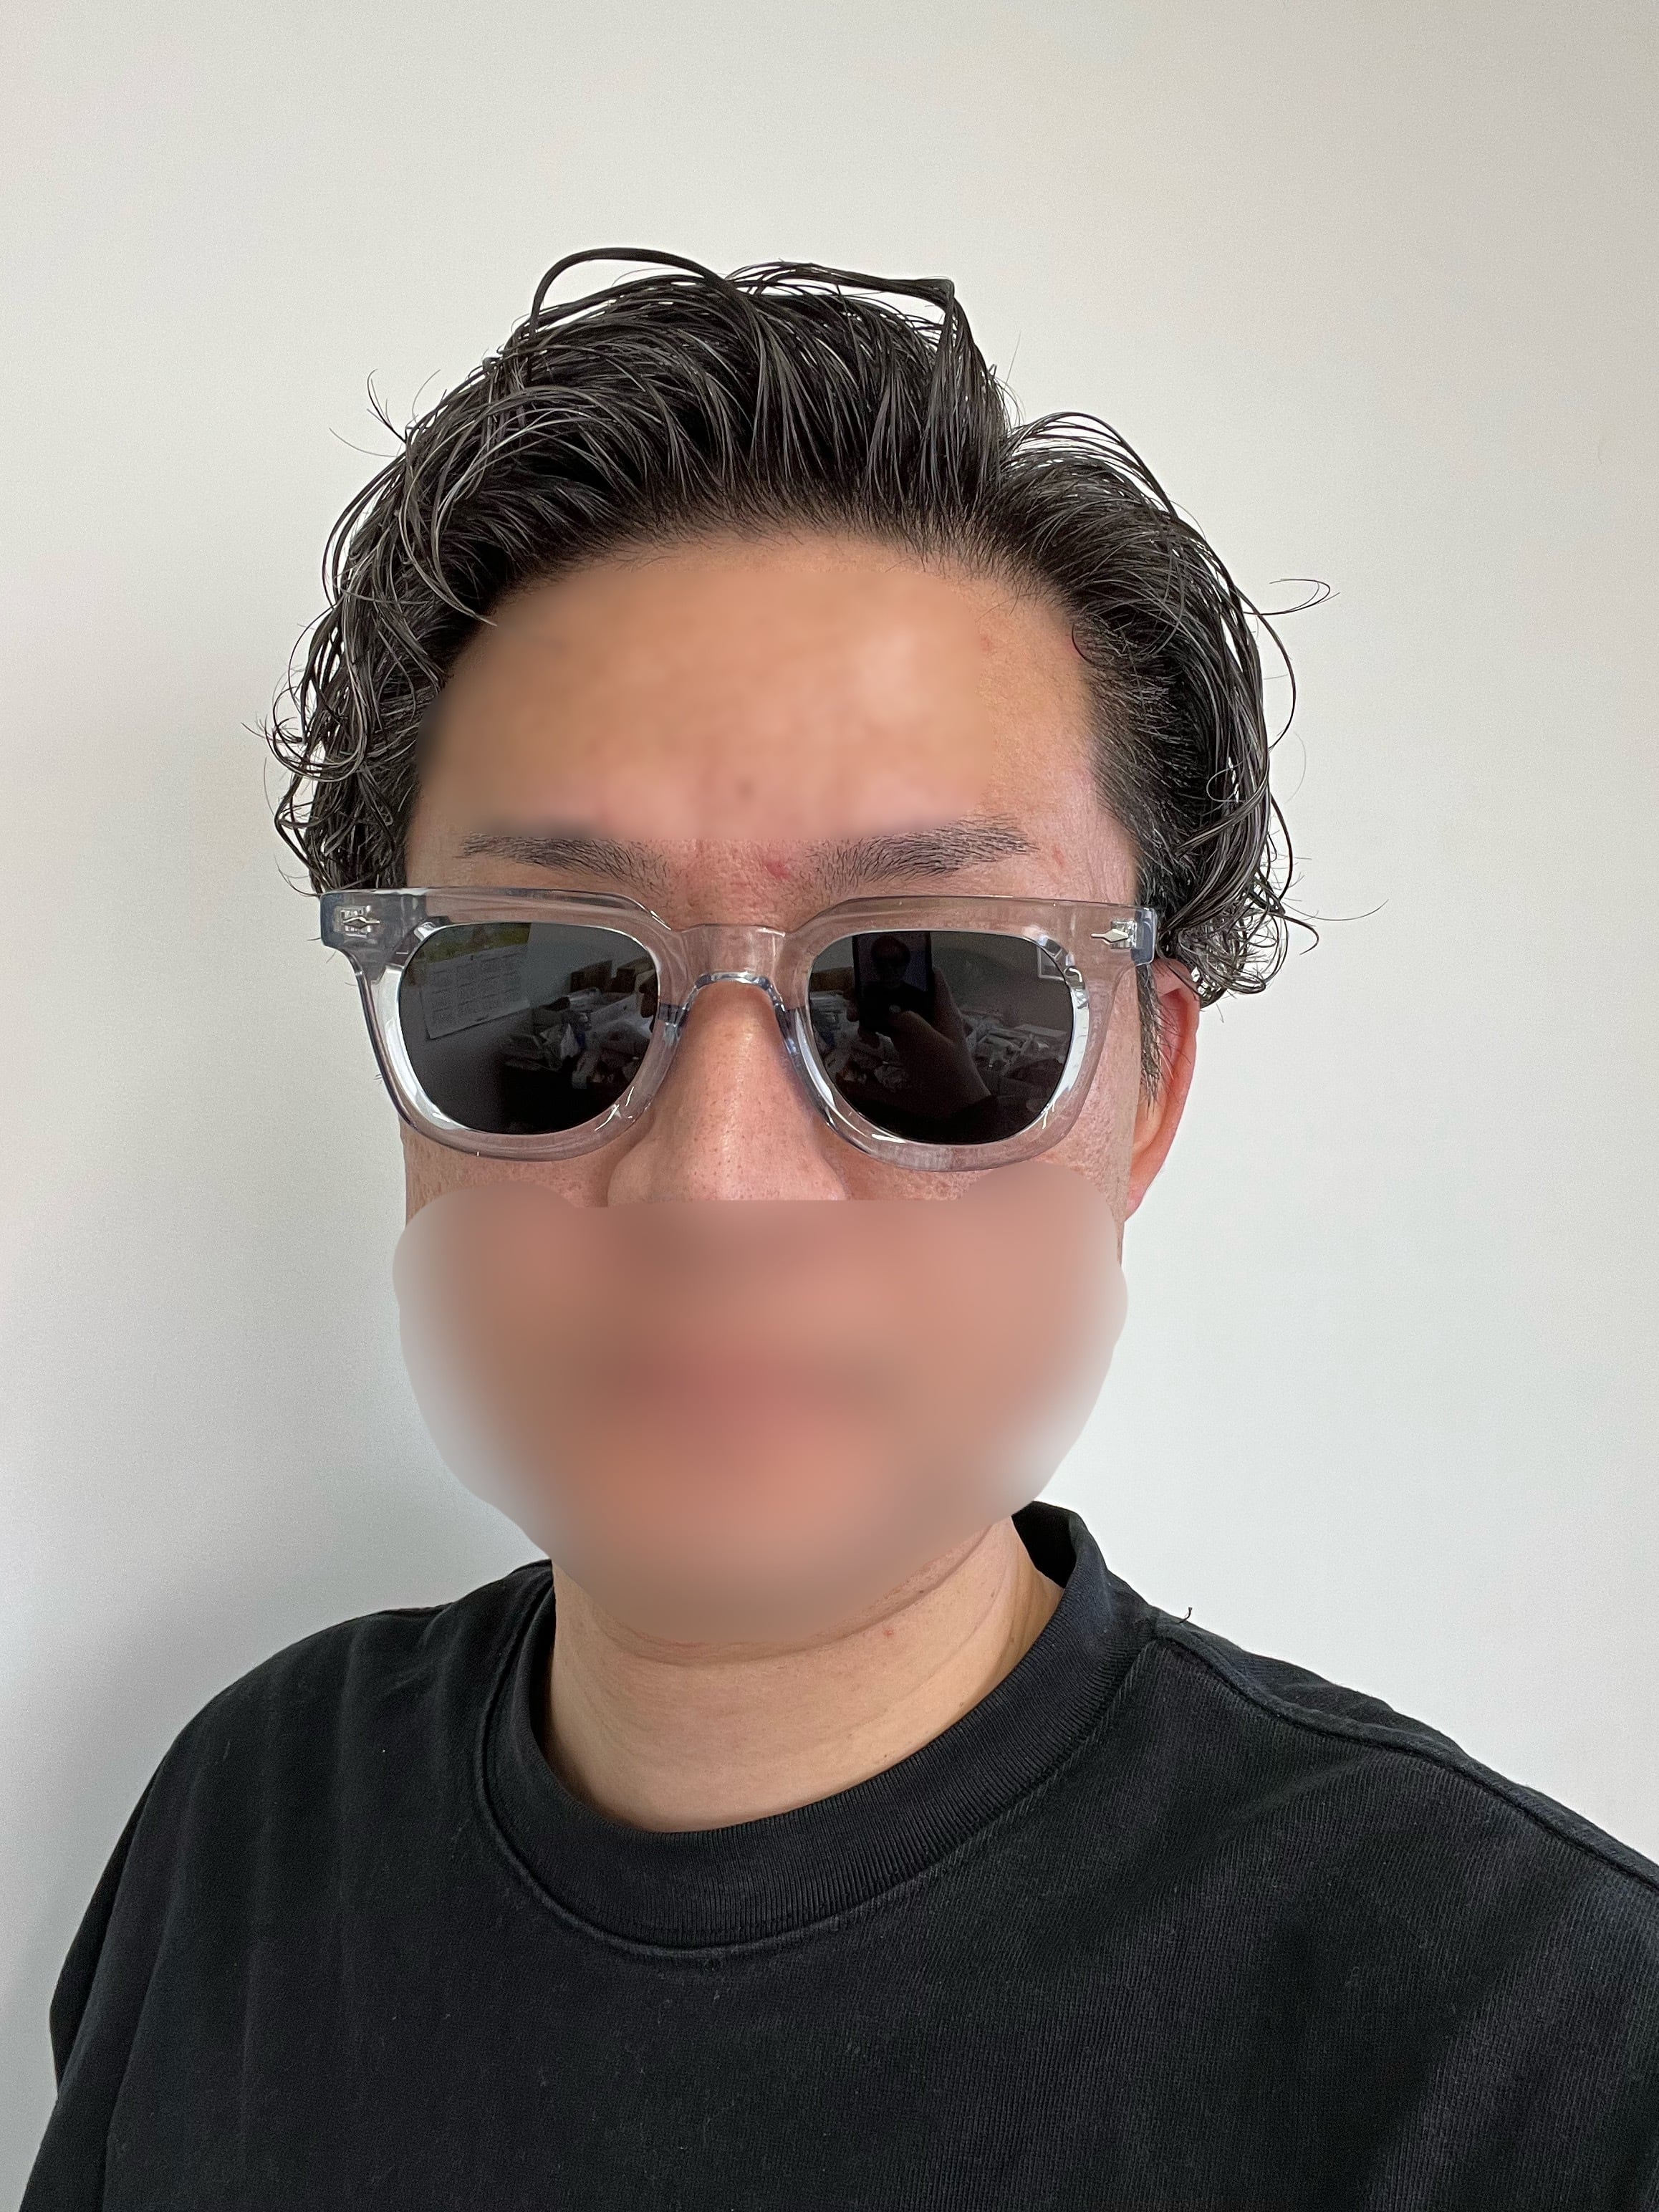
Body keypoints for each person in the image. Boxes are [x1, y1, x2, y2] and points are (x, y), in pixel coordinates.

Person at [24, 250, 1659, 2211]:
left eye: (933, 998)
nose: (717, 1184)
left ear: (1145, 1089)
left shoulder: (1534, 2064)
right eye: (546, 986)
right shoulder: (252, 1823)